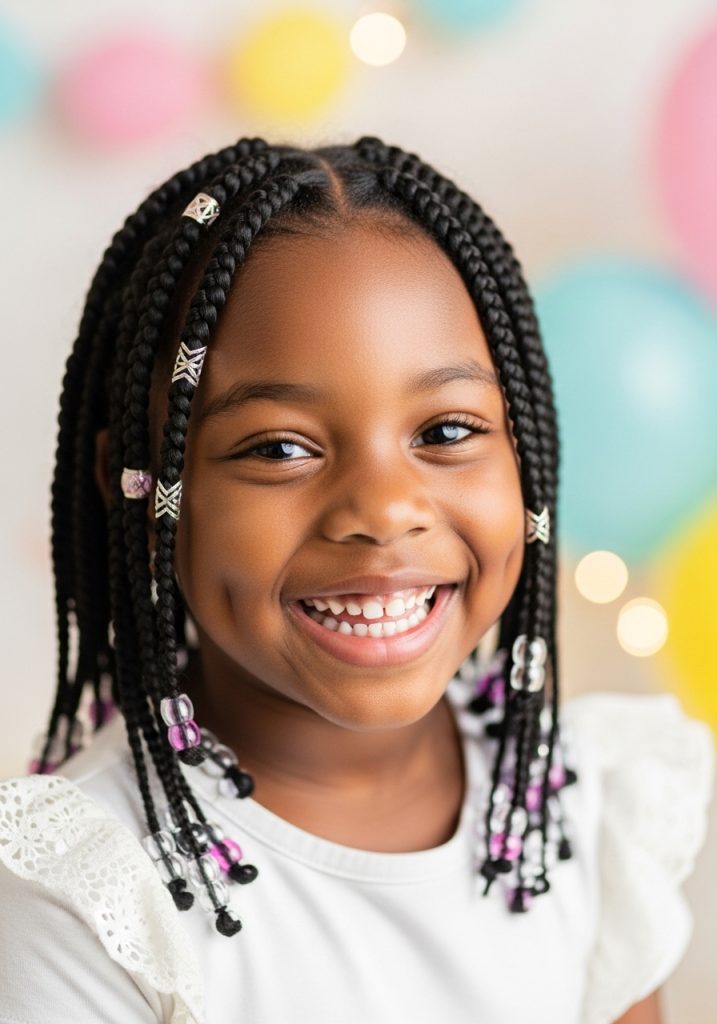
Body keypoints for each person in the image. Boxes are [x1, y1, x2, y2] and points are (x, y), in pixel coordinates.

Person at [0, 136, 712, 1024]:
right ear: (141, 489)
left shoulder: (580, 809)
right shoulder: (89, 899)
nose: (381, 509)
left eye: (446, 431)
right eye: (278, 448)